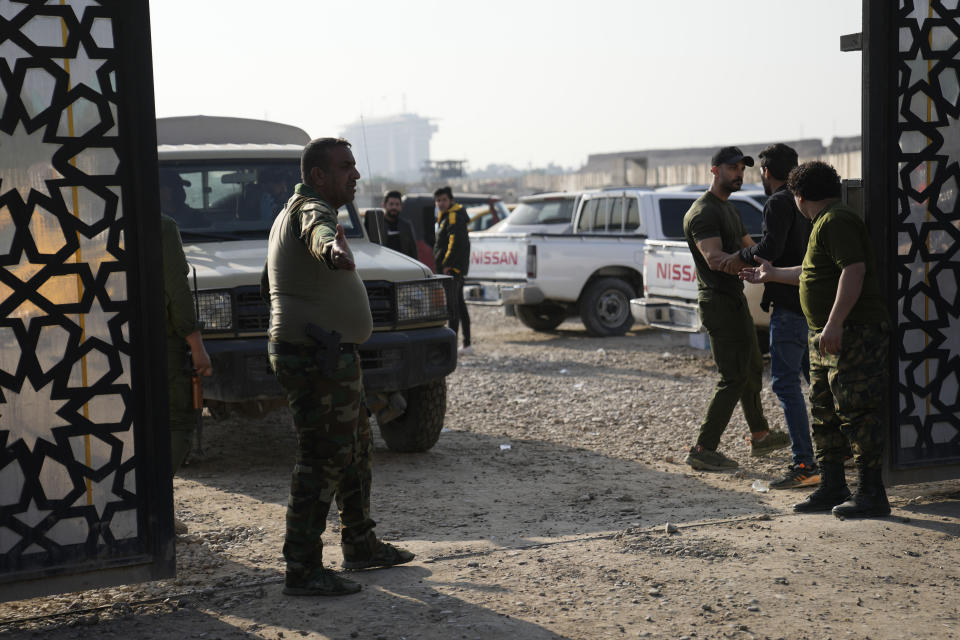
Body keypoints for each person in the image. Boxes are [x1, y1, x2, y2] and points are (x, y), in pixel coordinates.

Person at [265, 137, 414, 597]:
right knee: (321, 459)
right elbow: (318, 232)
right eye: (346, 167)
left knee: (354, 449)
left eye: (354, 166)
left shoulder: (306, 206)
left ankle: (361, 543)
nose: (356, 175)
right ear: (318, 176)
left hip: (330, 355)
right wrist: (331, 250)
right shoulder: (311, 211)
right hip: (314, 357)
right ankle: (302, 567)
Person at [740, 161, 890, 518]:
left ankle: (871, 493)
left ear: (799, 195)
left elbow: (853, 271)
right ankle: (833, 486)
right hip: (825, 333)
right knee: (826, 412)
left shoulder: (836, 221)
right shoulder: (822, 223)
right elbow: (811, 274)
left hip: (853, 333)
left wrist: (836, 323)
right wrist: (773, 274)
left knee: (857, 412)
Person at [682, 146, 790, 471]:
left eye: (742, 169)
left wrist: (780, 256)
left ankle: (759, 434)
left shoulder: (730, 209)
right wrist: (746, 262)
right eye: (731, 168)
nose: (739, 174)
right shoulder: (704, 212)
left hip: (734, 299)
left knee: (753, 365)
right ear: (714, 170)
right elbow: (714, 260)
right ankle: (703, 447)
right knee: (732, 376)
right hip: (717, 301)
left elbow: (749, 246)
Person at [730, 143, 819, 489]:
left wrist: (739, 255)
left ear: (767, 173)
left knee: (785, 383)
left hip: (790, 306)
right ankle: (837, 451)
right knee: (815, 380)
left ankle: (804, 463)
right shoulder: (809, 201)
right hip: (811, 303)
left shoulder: (779, 202)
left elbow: (770, 250)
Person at [160, 213, 213, 534]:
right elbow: (176, 288)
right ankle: (153, 506)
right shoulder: (161, 226)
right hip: (162, 343)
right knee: (178, 422)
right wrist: (195, 343)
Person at [433, 186, 471, 353]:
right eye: (438, 200)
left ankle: (453, 346)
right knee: (459, 305)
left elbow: (455, 242)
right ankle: (467, 343)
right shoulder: (445, 216)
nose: (441, 203)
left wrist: (448, 264)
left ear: (451, 200)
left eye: (444, 200)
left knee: (453, 307)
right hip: (453, 267)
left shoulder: (454, 216)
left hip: (452, 269)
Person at [382, 190, 418, 258]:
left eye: (397, 204)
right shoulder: (377, 225)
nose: (394, 207)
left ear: (401, 206)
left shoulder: (406, 226)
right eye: (391, 204)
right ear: (384, 205)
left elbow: (413, 250)